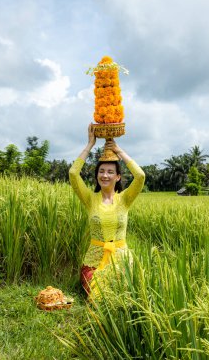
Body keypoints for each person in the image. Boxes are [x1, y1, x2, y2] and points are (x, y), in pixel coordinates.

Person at [69, 123, 145, 298]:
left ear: (117, 177)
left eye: (110, 172)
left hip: (122, 262)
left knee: (125, 294)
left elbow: (140, 176)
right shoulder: (89, 199)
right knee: (101, 296)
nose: (105, 175)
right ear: (97, 175)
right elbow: (73, 174)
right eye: (101, 171)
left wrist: (118, 151)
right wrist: (90, 144)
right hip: (94, 263)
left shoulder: (125, 199)